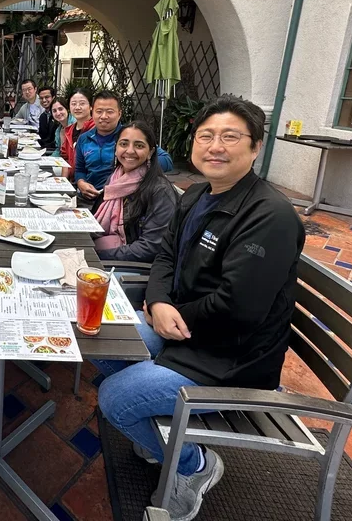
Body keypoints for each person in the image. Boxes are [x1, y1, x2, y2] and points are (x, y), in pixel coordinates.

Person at [96, 95, 306, 521]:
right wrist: (156, 302)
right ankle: (159, 432)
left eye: (230, 137)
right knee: (100, 336)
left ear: (255, 147)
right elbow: (165, 257)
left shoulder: (270, 216)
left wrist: (170, 314)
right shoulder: (196, 195)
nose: (215, 146)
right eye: (206, 136)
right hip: (186, 329)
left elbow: (239, 308)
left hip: (231, 358)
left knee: (115, 399)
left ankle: (194, 465)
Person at [92, 120, 177, 261]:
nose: (130, 151)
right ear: (116, 148)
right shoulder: (116, 178)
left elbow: (150, 247)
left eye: (139, 145)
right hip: (108, 248)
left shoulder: (160, 191)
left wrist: (97, 256)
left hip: (135, 266)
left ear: (150, 152)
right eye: (124, 144)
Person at [75, 90, 123, 200]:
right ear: (92, 113)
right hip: (88, 198)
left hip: (118, 200)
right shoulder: (84, 139)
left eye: (110, 112)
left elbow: (165, 160)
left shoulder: (129, 137)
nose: (104, 116)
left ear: (119, 114)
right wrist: (81, 183)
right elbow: (80, 169)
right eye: (99, 111)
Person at [60, 89, 94, 177]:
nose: (77, 107)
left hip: (88, 181)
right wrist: (64, 184)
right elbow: (65, 159)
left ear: (91, 106)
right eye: (73, 104)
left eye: (82, 103)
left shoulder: (96, 129)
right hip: (72, 182)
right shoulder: (69, 131)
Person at [36, 86, 58, 150]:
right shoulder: (43, 116)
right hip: (44, 149)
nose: (44, 100)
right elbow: (42, 137)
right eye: (41, 98)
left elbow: (54, 141)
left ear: (53, 97)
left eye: (47, 97)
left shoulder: (58, 116)